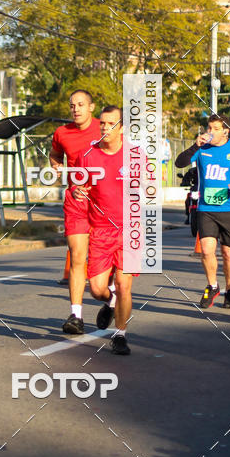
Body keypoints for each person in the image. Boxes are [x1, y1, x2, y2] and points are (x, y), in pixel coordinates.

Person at [71, 106, 133, 356]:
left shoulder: (135, 155)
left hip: (130, 230)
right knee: (96, 289)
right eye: (103, 124)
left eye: (111, 124)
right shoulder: (89, 155)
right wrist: (77, 191)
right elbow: (77, 185)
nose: (105, 128)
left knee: (124, 284)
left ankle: (120, 335)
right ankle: (111, 300)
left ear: (122, 128)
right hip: (101, 230)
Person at [175, 115, 230, 309]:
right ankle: (213, 285)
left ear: (225, 131)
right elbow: (179, 163)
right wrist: (195, 145)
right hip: (206, 208)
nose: (211, 132)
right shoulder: (202, 148)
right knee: (206, 251)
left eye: (215, 128)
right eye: (209, 128)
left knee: (228, 253)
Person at [49, 89, 101, 335]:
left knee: (102, 263)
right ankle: (76, 315)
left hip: (104, 203)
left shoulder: (105, 128)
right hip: (76, 201)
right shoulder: (62, 133)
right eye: (72, 105)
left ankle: (111, 299)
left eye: (81, 104)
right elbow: (55, 155)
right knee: (78, 256)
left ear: (91, 107)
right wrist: (57, 166)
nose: (76, 109)